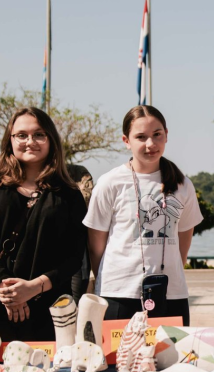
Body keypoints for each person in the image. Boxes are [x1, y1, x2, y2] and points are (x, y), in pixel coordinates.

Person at [0, 107, 87, 341]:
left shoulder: (69, 193)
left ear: (51, 140)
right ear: (10, 139)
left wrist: (34, 287)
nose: (30, 141)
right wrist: (7, 288)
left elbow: (74, 255)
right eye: (22, 135)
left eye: (39, 134)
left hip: (50, 310)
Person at [85, 105, 204, 323]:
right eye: (141, 137)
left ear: (166, 135)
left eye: (157, 135)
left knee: (170, 357)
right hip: (118, 293)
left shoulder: (182, 185)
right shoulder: (110, 183)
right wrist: (108, 279)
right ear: (126, 140)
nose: (150, 144)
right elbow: (96, 246)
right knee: (119, 358)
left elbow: (184, 239)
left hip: (171, 293)